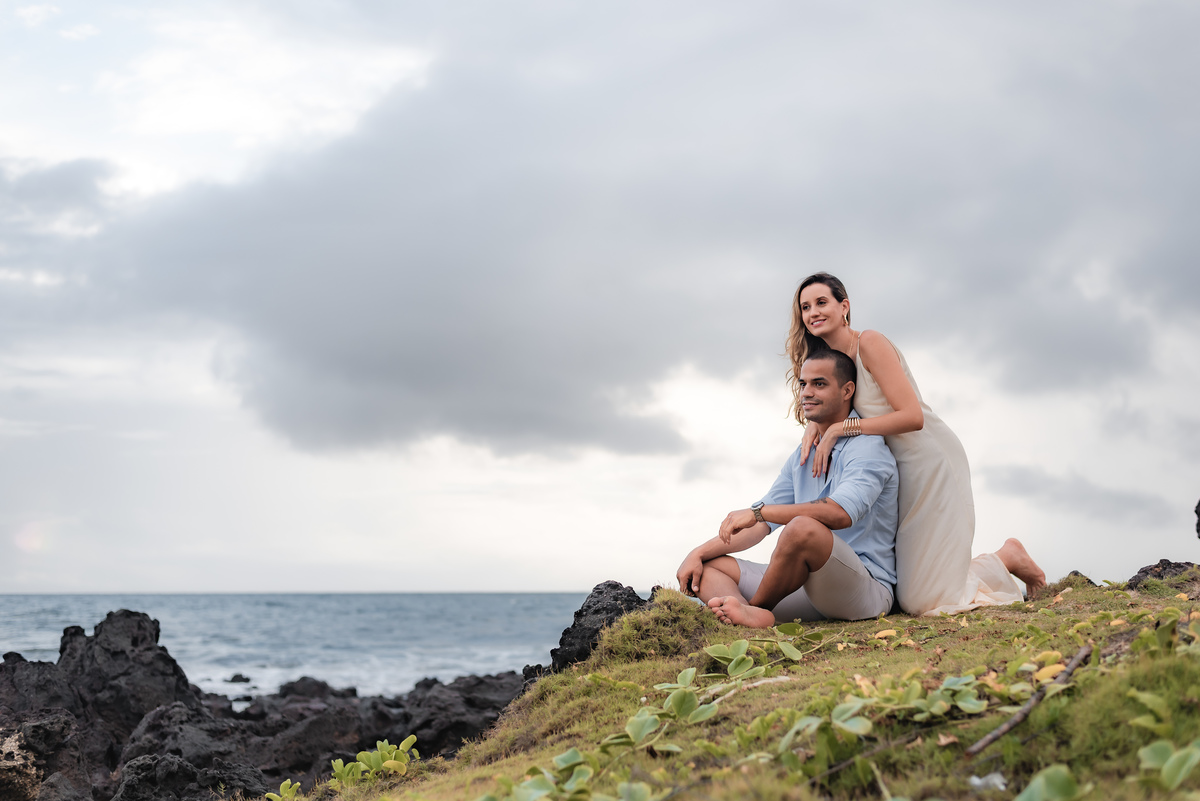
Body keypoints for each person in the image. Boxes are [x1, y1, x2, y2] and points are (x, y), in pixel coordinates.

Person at [788, 272, 1044, 615]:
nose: (813, 312)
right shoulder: (830, 360)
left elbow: (913, 416)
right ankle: (1003, 557)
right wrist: (814, 429)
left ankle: (1007, 557)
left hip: (928, 461)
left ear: (844, 306)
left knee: (924, 601)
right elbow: (835, 407)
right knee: (909, 591)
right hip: (893, 472)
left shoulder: (869, 343)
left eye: (822, 302)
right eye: (805, 307)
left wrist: (841, 430)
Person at [676, 349, 899, 626]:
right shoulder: (802, 454)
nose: (806, 392)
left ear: (846, 390)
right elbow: (760, 525)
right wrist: (697, 553)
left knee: (801, 527)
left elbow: (840, 513)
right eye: (803, 384)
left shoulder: (868, 447)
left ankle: (754, 610)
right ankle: (746, 621)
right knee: (709, 569)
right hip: (808, 589)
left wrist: (760, 512)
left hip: (863, 591)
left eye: (819, 383)